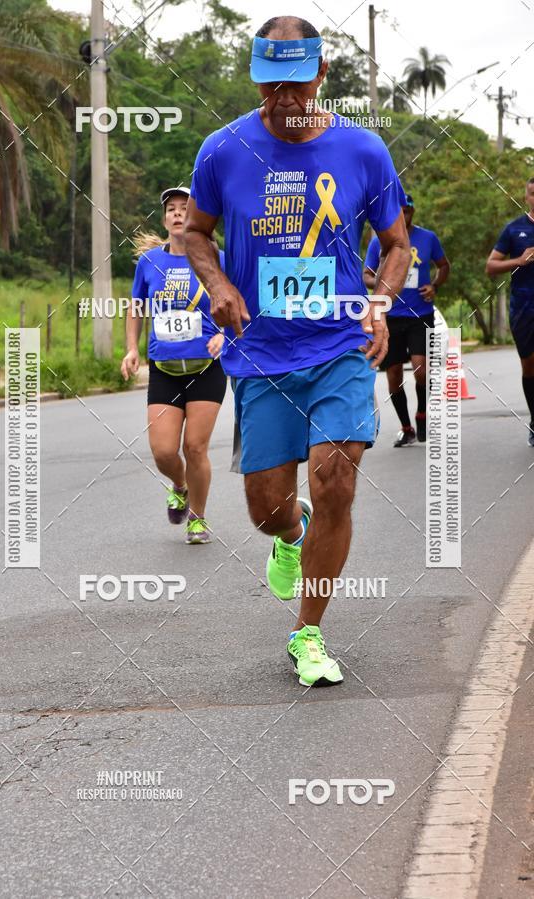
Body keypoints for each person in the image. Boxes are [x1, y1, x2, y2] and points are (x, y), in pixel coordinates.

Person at [184, 16, 409, 686]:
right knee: (264, 506)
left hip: (340, 344)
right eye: (269, 83)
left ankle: (307, 631)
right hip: (261, 354)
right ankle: (289, 532)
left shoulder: (363, 150)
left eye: (295, 82)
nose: (282, 96)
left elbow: (396, 243)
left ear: (321, 76)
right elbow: (197, 233)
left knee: (336, 475)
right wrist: (218, 281)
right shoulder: (222, 151)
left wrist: (380, 301)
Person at [121, 186, 227, 543]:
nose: (178, 213)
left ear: (196, 215)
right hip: (164, 369)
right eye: (172, 209)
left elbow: (239, 300)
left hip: (206, 367)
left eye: (185, 208)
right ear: (165, 218)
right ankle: (179, 485)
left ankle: (198, 518)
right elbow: (136, 306)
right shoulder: (150, 263)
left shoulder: (217, 258)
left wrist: (227, 336)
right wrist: (131, 349)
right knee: (165, 451)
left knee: (195, 447)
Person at [363, 195, 450, 446]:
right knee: (393, 376)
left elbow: (444, 265)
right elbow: (366, 275)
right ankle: (406, 427)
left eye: (408, 210)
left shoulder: (427, 238)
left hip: (420, 314)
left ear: (413, 212)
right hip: (390, 316)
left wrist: (434, 285)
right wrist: (380, 284)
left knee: (421, 369)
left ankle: (422, 414)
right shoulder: (379, 241)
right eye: (400, 210)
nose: (405, 214)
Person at [486, 178, 534, 446]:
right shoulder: (514, 229)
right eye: (533, 194)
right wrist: (519, 261)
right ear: (527, 196)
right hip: (524, 307)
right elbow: (490, 266)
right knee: (529, 366)